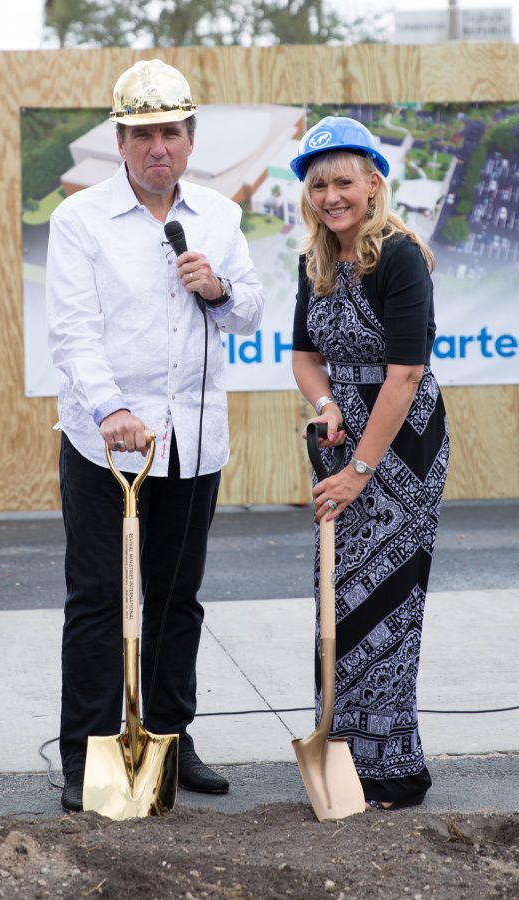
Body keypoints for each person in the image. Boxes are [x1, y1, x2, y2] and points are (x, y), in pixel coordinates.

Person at [46, 59, 264, 812]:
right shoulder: (80, 221)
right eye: (142, 135)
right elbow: (73, 332)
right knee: (99, 600)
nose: (157, 147)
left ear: (191, 137)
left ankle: (171, 737)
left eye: (170, 132)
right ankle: (87, 754)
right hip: (106, 446)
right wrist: (111, 410)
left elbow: (250, 312)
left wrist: (219, 289)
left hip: (192, 441)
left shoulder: (220, 218)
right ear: (120, 142)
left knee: (177, 598)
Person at [290, 117, 449, 810]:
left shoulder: (401, 257)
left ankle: (395, 767)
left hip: (401, 445)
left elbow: (405, 375)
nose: (331, 196)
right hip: (343, 439)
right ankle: (343, 751)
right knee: (337, 592)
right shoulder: (316, 261)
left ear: (374, 184)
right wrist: (327, 403)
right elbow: (304, 358)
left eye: (343, 182)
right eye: (318, 185)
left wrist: (360, 469)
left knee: (388, 598)